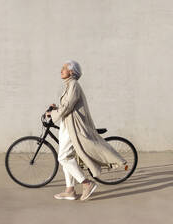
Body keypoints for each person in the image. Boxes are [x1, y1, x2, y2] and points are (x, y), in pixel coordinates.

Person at [45, 60, 127, 201]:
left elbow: (68, 107)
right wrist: (55, 108)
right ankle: (70, 190)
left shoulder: (74, 85)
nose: (61, 70)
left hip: (74, 127)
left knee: (63, 157)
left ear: (72, 72)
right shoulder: (69, 85)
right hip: (68, 124)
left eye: (64, 68)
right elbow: (66, 105)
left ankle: (86, 183)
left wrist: (52, 114)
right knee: (67, 157)